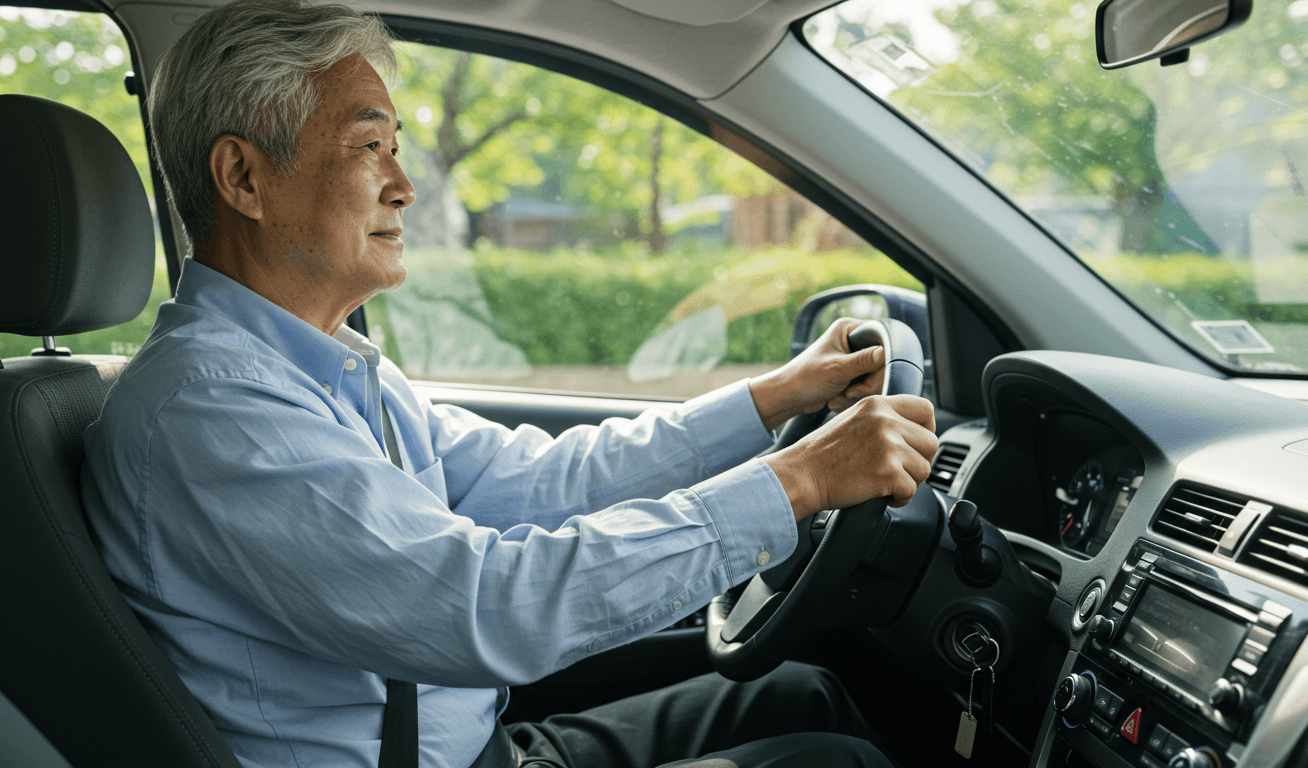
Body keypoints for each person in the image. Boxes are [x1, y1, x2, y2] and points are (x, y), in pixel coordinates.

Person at [80, 0, 939, 766]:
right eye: (369, 146)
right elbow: (482, 608)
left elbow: (529, 482)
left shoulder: (318, 365)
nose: (405, 185)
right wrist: (800, 480)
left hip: (489, 744)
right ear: (243, 178)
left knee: (807, 695)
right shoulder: (215, 412)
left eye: (398, 148)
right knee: (829, 757)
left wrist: (775, 399)